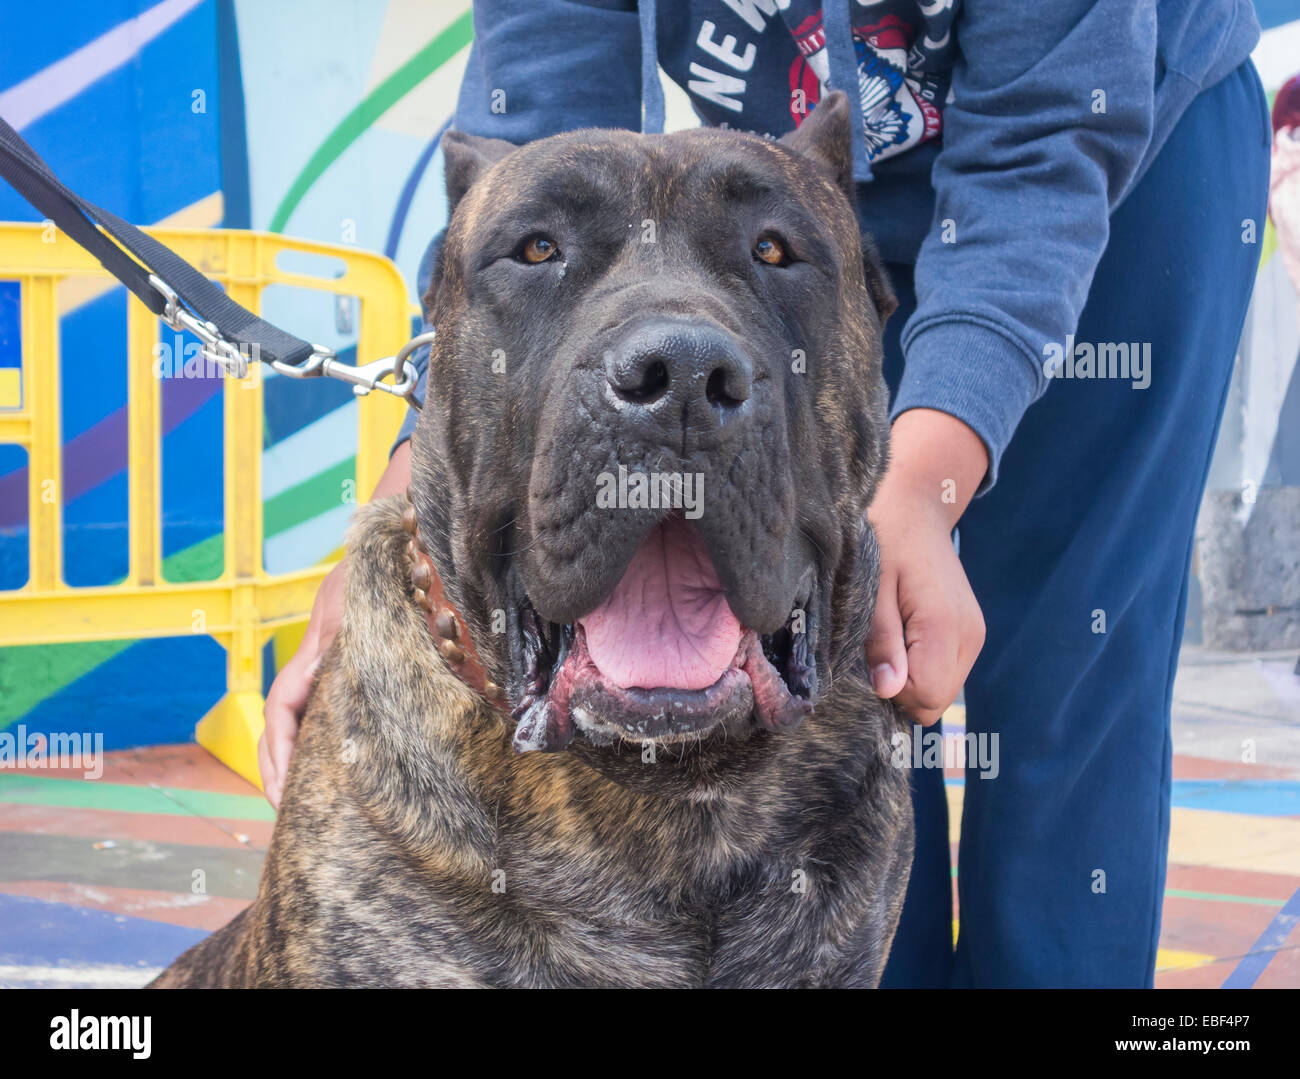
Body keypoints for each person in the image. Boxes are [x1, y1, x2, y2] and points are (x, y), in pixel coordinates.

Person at [260, 0, 1270, 988]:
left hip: (1108, 169)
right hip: (787, 207)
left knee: (1063, 671)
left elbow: (1043, 146)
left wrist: (916, 490)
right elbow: (534, 142)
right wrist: (414, 509)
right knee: (845, 693)